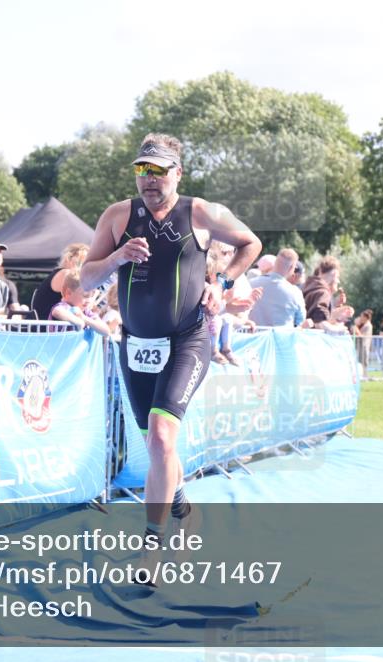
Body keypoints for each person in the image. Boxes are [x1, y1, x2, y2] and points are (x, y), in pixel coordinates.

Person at [80, 133, 261, 584]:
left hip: (187, 338)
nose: (150, 180)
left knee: (162, 437)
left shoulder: (200, 213)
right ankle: (182, 507)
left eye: (159, 170)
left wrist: (222, 283)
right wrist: (118, 255)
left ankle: (152, 550)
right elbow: (84, 279)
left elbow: (250, 243)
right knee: (156, 446)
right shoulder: (118, 216)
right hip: (136, 343)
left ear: (177, 172)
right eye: (143, 170)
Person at [249, 248, 306, 328]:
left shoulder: (250, 284)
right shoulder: (295, 293)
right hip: (281, 339)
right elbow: (300, 322)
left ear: (275, 263)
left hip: (253, 338)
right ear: (292, 268)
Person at [32, 243, 90, 320]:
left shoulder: (60, 273)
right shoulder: (66, 274)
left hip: (46, 324)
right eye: (81, 261)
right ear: (69, 258)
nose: (84, 265)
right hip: (46, 326)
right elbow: (79, 303)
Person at [50, 269, 110, 335]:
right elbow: (57, 311)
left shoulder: (86, 313)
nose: (89, 300)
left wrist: (84, 319)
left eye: (91, 296)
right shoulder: (65, 307)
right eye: (85, 295)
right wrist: (77, 321)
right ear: (68, 293)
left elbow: (106, 331)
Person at [303, 257, 351, 332]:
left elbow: (314, 317)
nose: (338, 281)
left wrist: (336, 310)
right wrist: (339, 329)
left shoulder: (310, 288)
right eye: (338, 277)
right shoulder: (323, 292)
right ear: (334, 274)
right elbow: (319, 323)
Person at [354, 309, 374, 379]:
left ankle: (365, 375)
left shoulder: (368, 325)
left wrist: (356, 328)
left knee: (364, 361)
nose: (360, 318)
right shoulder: (363, 325)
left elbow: (361, 335)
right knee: (360, 361)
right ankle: (362, 375)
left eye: (362, 316)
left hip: (364, 345)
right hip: (360, 345)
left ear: (365, 317)